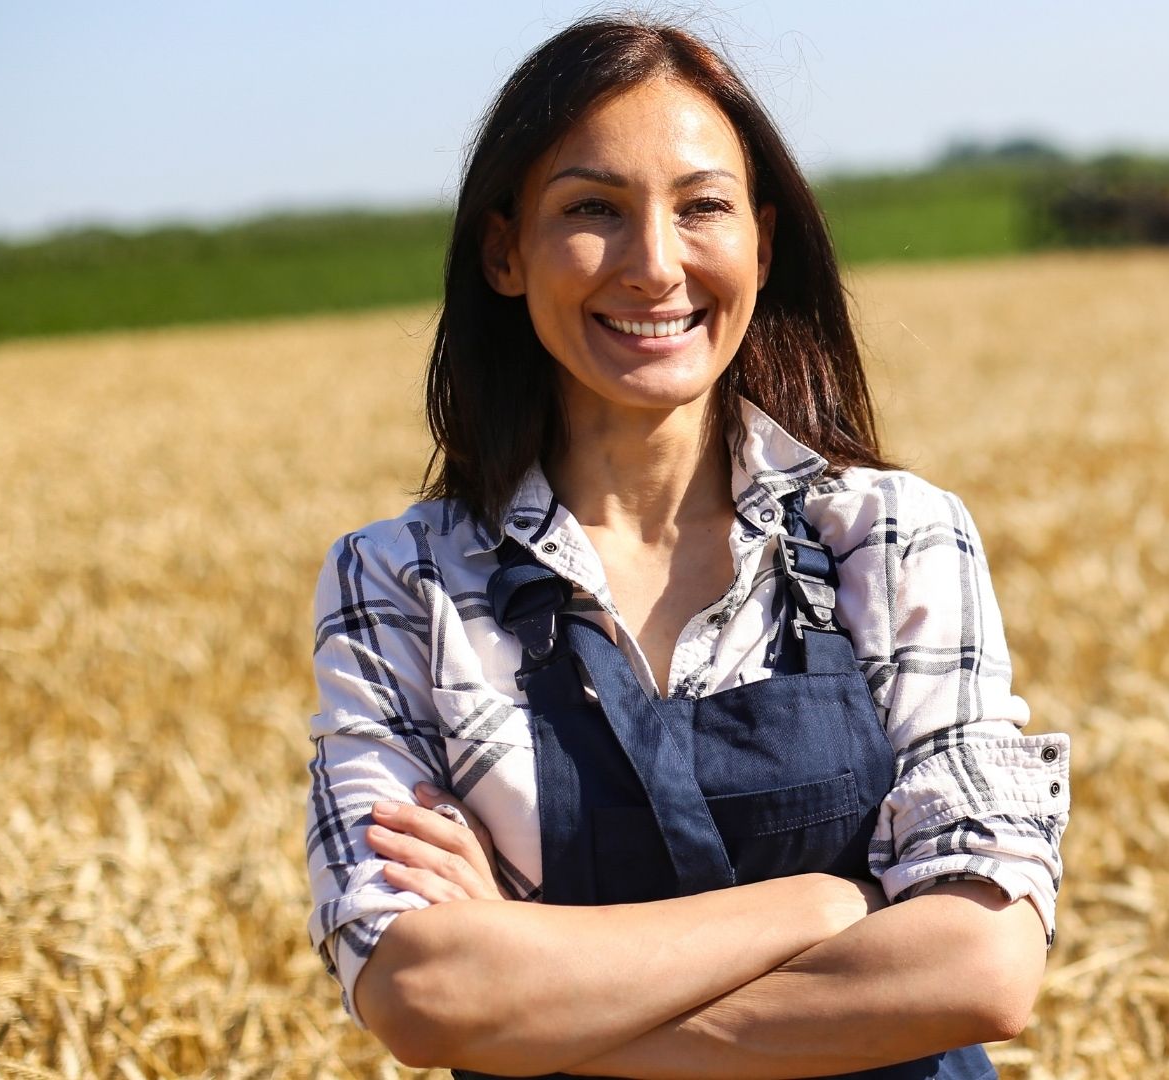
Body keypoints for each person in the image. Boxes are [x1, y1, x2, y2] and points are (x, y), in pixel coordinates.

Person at [302, 17, 1069, 1079]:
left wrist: (541, 1009)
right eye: (592, 211)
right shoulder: (402, 584)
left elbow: (980, 968)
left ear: (760, 238)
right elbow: (427, 993)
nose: (654, 265)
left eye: (701, 207)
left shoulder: (890, 539)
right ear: (505, 252)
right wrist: (830, 902)